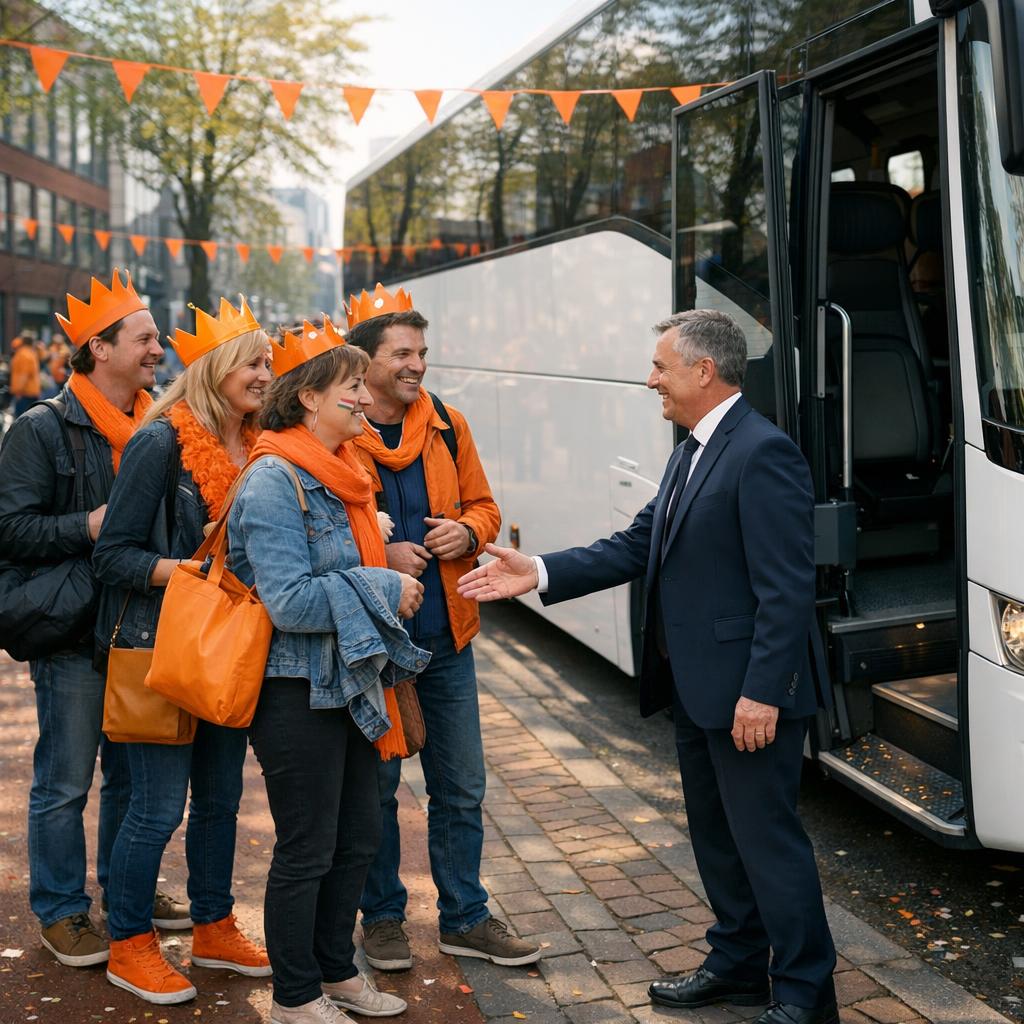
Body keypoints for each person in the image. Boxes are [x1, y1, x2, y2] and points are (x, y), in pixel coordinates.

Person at [458, 309, 839, 1024]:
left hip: (748, 697)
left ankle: (804, 997)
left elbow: (786, 590)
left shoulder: (764, 453)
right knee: (719, 843)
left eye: (661, 367)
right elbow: (639, 543)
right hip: (700, 691)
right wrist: (536, 570)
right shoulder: (694, 447)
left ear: (704, 371)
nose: (650, 379)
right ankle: (737, 968)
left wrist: (762, 694)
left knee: (769, 847)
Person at [229, 317, 427, 1024]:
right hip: (295, 690)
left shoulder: (346, 478)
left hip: (351, 679)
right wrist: (381, 586)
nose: (366, 402)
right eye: (352, 389)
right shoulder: (274, 479)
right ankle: (293, 996)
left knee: (357, 840)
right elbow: (287, 602)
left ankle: (336, 973)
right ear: (308, 397)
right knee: (308, 845)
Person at [345, 283, 539, 969]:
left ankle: (464, 916)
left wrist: (468, 531)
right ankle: (384, 920)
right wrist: (380, 555)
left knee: (461, 788)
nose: (416, 365)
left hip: (447, 640)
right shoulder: (338, 431)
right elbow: (319, 536)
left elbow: (486, 507)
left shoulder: (449, 424)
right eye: (402, 353)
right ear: (363, 361)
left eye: (421, 352)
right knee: (375, 792)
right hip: (373, 650)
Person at [0, 270, 188, 967]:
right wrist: (91, 525)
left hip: (137, 629)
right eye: (142, 338)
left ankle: (123, 892)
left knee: (131, 780)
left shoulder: (159, 424)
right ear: (97, 349)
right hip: (75, 632)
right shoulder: (40, 429)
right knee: (66, 778)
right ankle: (61, 910)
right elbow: (8, 530)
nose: (156, 348)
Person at [92, 296, 275, 1004]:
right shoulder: (159, 442)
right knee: (156, 808)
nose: (266, 374)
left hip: (231, 647)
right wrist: (192, 574)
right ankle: (129, 943)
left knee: (222, 799)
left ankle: (213, 925)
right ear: (219, 367)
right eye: (255, 362)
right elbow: (114, 556)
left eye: (266, 362)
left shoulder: (262, 442)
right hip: (162, 647)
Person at [9, 331, 42, 416]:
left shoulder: (23, 355)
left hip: (25, 394)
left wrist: (18, 392)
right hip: (31, 392)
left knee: (21, 422)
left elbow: (23, 375)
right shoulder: (30, 353)